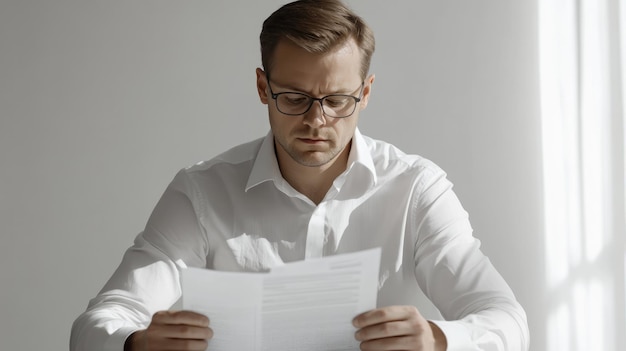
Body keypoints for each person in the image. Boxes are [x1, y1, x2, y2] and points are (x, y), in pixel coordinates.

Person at [71, 0, 529, 350]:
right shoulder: (201, 193)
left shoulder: (415, 188)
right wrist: (133, 343)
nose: (316, 120)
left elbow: (506, 319)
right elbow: (98, 323)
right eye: (294, 97)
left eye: (336, 100)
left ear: (365, 92)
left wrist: (438, 339)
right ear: (261, 87)